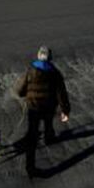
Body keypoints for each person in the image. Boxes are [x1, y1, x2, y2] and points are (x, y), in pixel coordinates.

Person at [14, 45, 71, 177]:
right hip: (49, 106)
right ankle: (49, 138)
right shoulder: (55, 73)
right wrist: (65, 110)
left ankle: (30, 167)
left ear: (38, 56)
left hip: (33, 107)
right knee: (48, 122)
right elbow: (61, 94)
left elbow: (19, 90)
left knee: (32, 136)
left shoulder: (30, 71)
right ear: (50, 58)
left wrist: (26, 94)